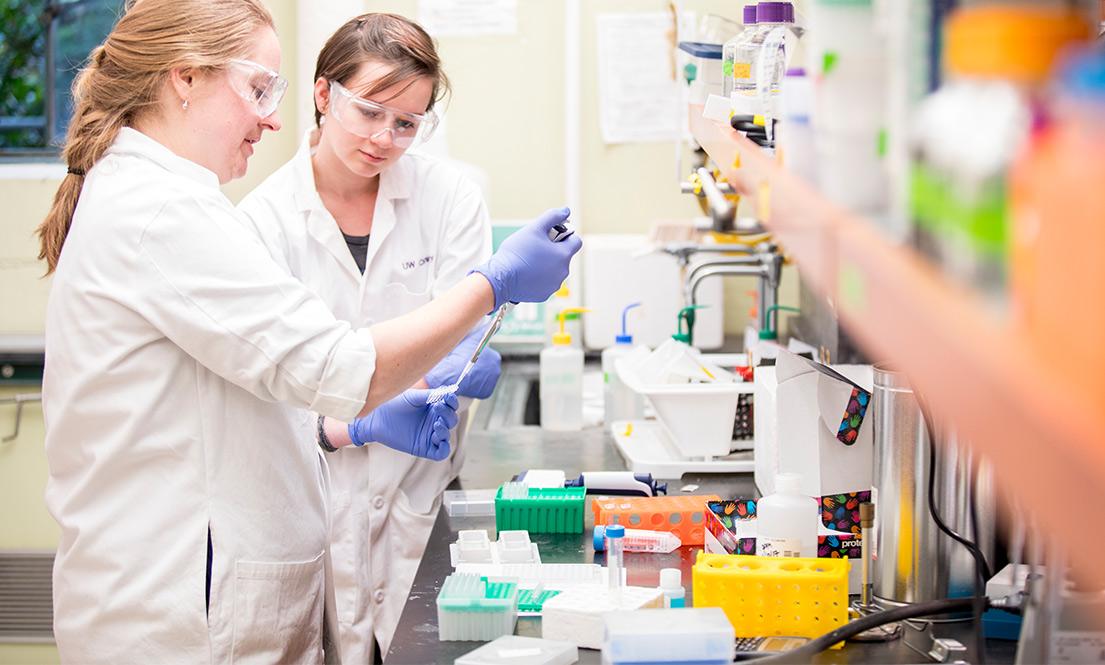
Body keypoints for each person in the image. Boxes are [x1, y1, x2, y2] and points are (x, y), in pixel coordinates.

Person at [33, 0, 581, 662]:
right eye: (258, 88)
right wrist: (492, 283)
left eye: (405, 122)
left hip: (209, 592)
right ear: (184, 77)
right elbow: (337, 368)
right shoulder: (161, 214)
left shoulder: (163, 198)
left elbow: (236, 401)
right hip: (181, 612)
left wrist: (364, 420)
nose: (270, 116)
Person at [235, 14, 503, 661]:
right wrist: (352, 424)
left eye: (407, 123)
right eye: (370, 111)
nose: (385, 137)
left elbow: (454, 341)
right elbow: (262, 396)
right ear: (323, 94)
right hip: (308, 511)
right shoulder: (263, 224)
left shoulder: (449, 199)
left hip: (421, 498)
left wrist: (459, 362)